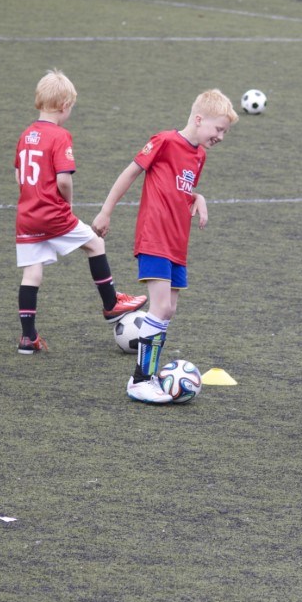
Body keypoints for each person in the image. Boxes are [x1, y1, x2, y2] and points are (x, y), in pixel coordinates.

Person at [92, 88, 238, 404]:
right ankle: (140, 380)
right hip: (154, 236)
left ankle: (151, 374)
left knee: (168, 310)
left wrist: (197, 197)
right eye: (218, 129)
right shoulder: (164, 141)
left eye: (225, 131)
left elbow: (179, 190)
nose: (221, 136)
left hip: (177, 242)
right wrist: (106, 210)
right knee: (160, 307)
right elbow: (131, 173)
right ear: (199, 119)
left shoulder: (200, 155)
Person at [14, 70, 147, 354]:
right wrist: (68, 203)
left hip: (26, 215)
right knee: (95, 243)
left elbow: (18, 175)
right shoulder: (60, 136)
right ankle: (111, 303)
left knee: (32, 273)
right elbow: (63, 179)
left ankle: (28, 337)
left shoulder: (26, 135)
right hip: (52, 212)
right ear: (65, 106)